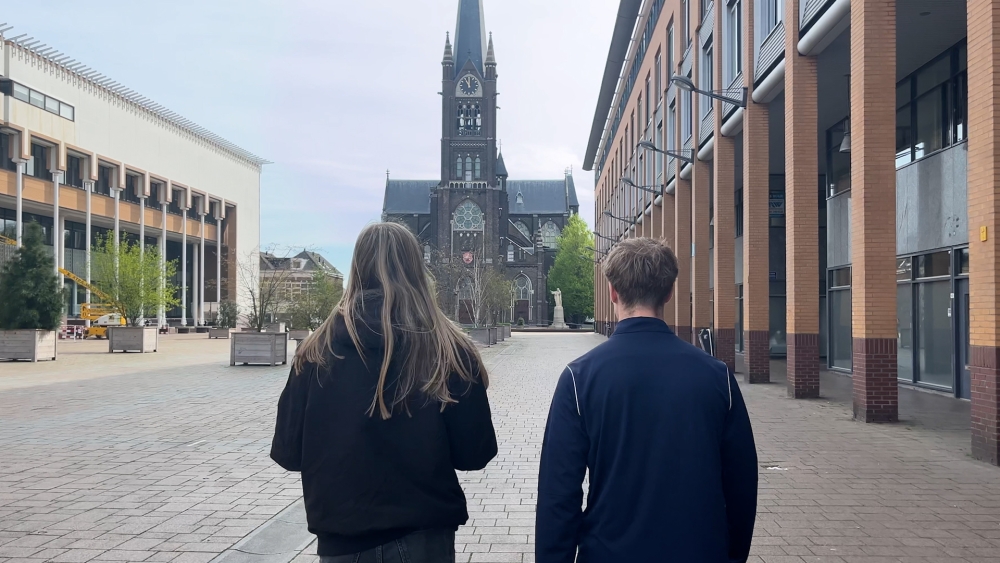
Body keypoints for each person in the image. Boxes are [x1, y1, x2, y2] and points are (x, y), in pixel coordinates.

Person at [270, 222, 498, 563]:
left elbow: (288, 452)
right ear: (418, 269)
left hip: (343, 541)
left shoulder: (315, 351)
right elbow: (475, 454)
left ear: (356, 268)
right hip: (424, 539)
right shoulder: (450, 350)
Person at [536, 237, 758, 563]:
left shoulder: (578, 379)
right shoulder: (717, 378)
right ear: (668, 292)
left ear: (613, 292)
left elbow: (558, 496)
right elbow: (741, 487)